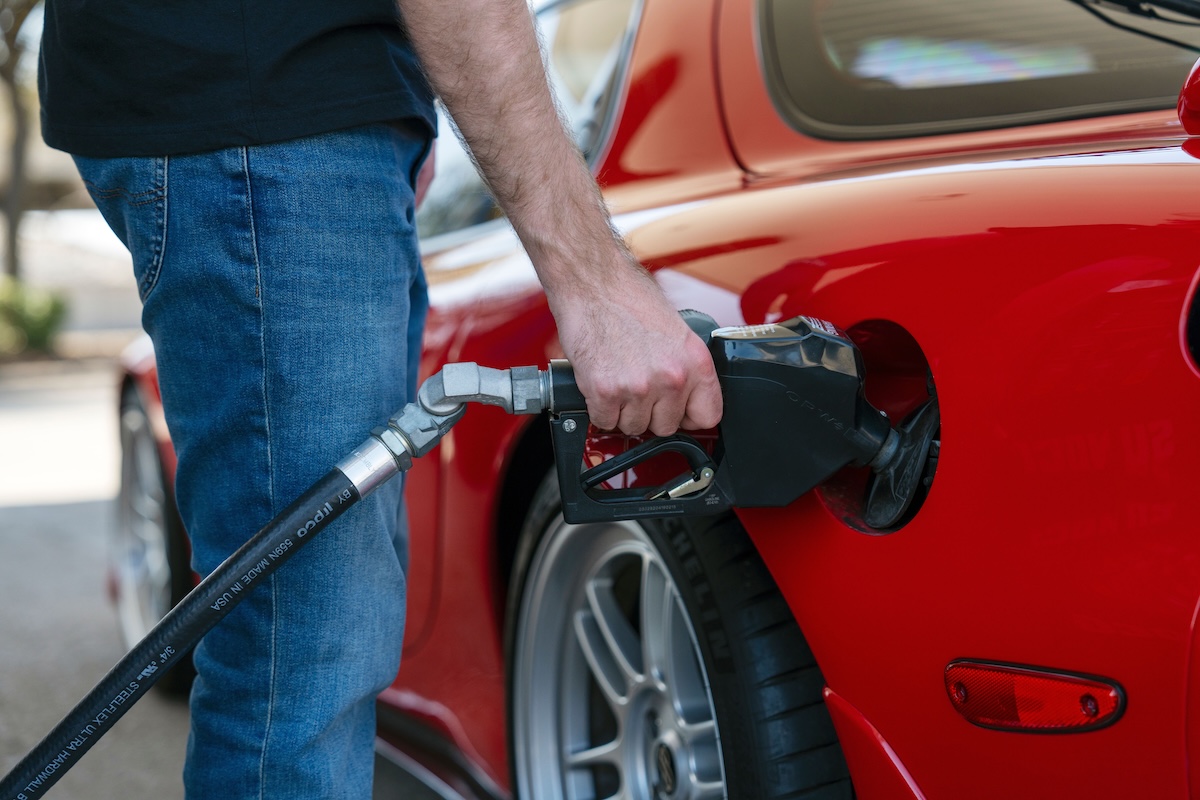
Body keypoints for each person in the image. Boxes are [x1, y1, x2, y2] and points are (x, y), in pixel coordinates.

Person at [38, 0, 721, 796]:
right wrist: (594, 284)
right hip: (271, 121)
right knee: (300, 658)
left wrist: (394, 102)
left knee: (308, 643)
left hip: (289, 122)